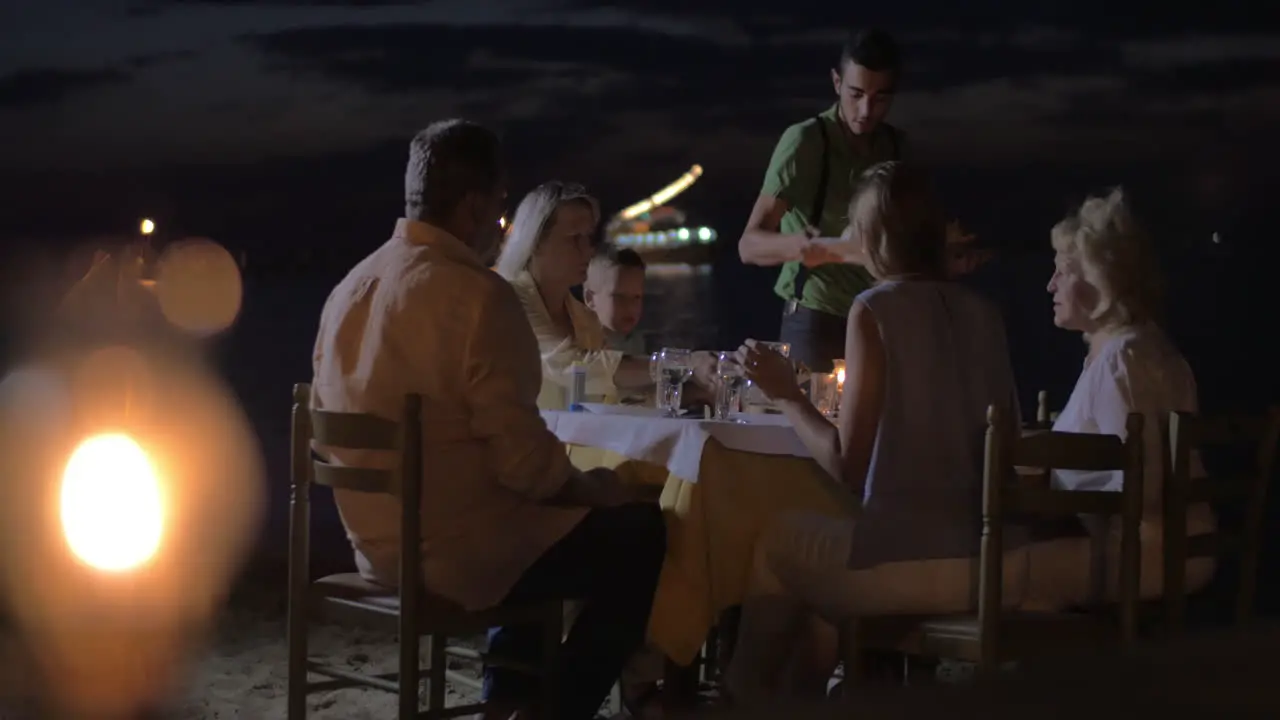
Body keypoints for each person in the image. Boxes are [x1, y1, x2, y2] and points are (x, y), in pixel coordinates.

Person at [310, 120, 666, 720]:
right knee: (640, 533)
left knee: (535, 523)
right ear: (474, 205)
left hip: (373, 547)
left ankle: (508, 697)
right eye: (500, 204)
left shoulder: (349, 288)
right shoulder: (479, 299)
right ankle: (557, 709)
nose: (501, 221)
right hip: (455, 555)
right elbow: (529, 467)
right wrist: (591, 489)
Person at [725, 161, 1023, 699]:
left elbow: (845, 465)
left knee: (777, 542)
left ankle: (741, 700)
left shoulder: (874, 309)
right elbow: (1008, 453)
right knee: (818, 596)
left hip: (903, 561)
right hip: (984, 561)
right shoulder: (985, 312)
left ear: (874, 238)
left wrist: (786, 394)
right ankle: (794, 701)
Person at [737, 28, 984, 372]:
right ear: (836, 83)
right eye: (856, 94)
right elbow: (748, 246)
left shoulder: (898, 149)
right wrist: (809, 248)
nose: (866, 110)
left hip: (885, 314)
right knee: (813, 421)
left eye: (881, 98)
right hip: (816, 319)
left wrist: (946, 261)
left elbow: (907, 248)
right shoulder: (806, 142)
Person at [1021, 187, 1215, 608]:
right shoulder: (1148, 348)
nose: (1050, 284)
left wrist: (1050, 495)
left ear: (1098, 277)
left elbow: (1142, 484)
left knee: (1002, 573)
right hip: (1171, 547)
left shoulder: (1123, 359)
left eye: (1062, 271)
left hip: (1145, 555)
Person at [495, 182, 711, 410]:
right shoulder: (508, 301)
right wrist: (683, 364)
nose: (587, 250)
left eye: (588, 238)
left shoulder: (584, 319)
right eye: (574, 238)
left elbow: (609, 392)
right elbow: (577, 366)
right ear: (536, 242)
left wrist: (692, 391)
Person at [584, 246, 648, 356]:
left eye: (637, 297)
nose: (630, 307)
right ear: (590, 299)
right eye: (619, 297)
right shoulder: (580, 345)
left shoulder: (636, 342)